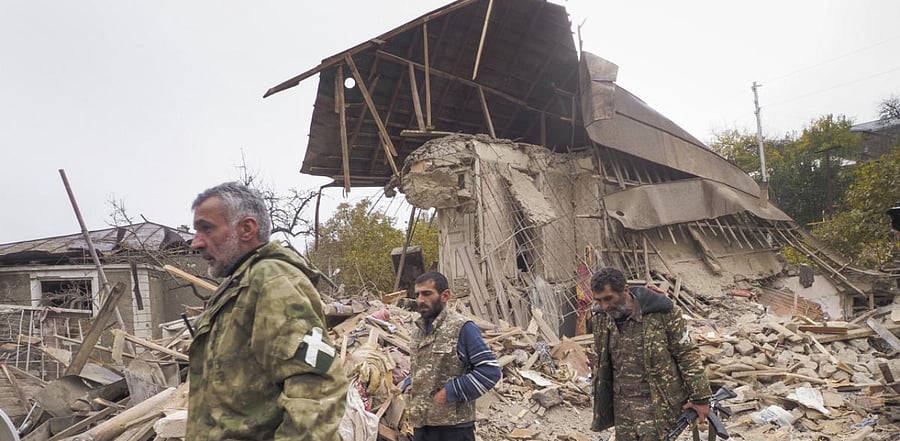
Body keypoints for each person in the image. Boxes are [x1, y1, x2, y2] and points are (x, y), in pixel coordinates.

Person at [185, 182, 348, 441]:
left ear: (247, 229)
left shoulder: (272, 279)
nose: (196, 243)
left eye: (207, 229)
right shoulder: (239, 285)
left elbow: (316, 389)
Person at [590, 267, 712, 441]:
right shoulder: (601, 319)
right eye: (599, 300)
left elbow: (687, 354)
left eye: (608, 299)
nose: (604, 306)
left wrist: (700, 398)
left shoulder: (663, 313)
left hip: (657, 404)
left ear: (625, 289)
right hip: (622, 407)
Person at [406, 271, 501, 441]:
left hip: (453, 428)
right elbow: (422, 366)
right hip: (421, 424)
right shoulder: (418, 330)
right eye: (417, 294)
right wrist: (409, 383)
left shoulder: (462, 328)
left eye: (427, 294)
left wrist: (448, 392)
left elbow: (490, 371)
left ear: (445, 295)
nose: (420, 300)